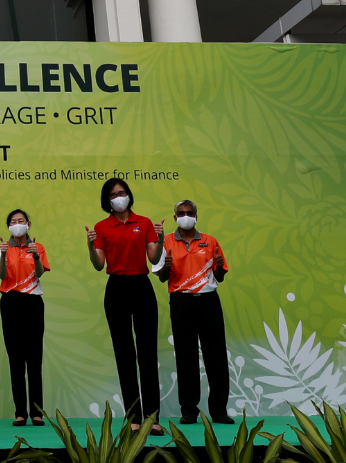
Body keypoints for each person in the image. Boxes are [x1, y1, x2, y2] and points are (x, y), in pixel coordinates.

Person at [86, 178, 165, 436]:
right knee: (124, 354)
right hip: (116, 289)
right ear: (106, 200)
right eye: (113, 194)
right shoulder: (101, 227)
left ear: (129, 195)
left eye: (122, 192)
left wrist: (161, 240)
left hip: (142, 287)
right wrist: (90, 245)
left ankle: (152, 417)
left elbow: (153, 257)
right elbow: (98, 264)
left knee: (147, 354)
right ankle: (133, 417)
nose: (119, 197)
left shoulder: (143, 223)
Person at [156, 199, 235, 425]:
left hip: (209, 301)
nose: (186, 216)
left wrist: (219, 266)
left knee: (216, 356)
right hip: (181, 302)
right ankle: (189, 410)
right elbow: (162, 277)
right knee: (186, 356)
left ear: (196, 217)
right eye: (181, 213)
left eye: (190, 212)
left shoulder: (210, 241)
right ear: (175, 218)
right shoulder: (167, 242)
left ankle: (219, 410)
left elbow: (219, 276)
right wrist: (167, 267)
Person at [0, 209, 49, 427]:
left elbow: (40, 273)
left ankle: (37, 412)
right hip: (10, 303)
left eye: (21, 221)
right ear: (8, 227)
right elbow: (1, 275)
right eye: (13, 222)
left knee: (34, 359)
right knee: (15, 359)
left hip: (33, 302)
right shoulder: (2, 248)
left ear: (29, 224)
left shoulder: (38, 247)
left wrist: (35, 255)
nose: (18, 224)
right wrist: (4, 255)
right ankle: (20, 412)